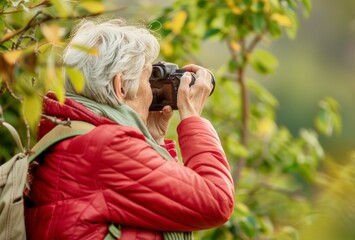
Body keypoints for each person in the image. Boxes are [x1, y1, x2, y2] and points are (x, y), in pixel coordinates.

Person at [24, 18, 235, 239]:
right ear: (121, 85)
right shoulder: (105, 147)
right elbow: (217, 201)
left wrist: (153, 139)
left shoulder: (77, 140)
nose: (152, 91)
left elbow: (172, 206)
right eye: (147, 79)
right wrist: (192, 118)